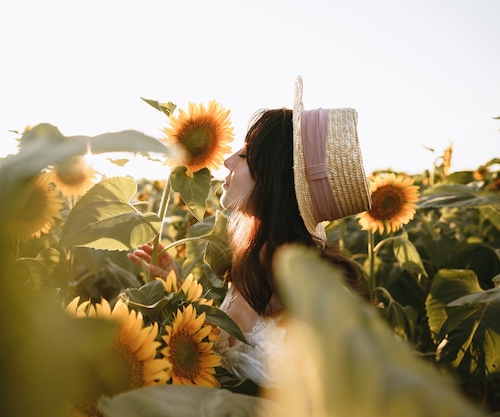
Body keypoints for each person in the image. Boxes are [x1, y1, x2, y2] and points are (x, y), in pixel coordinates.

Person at [128, 76, 372, 387]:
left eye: (244, 156)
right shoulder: (251, 265)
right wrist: (176, 291)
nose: (227, 160)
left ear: (274, 180)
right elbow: (218, 365)